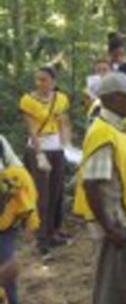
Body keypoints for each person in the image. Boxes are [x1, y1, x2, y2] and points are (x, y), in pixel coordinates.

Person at [72, 72, 126, 304]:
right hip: (114, 224)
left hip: (122, 220)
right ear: (111, 99)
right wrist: (109, 227)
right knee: (111, 289)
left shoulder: (118, 127)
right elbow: (92, 185)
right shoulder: (103, 132)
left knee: (121, 286)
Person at [18, 66, 72, 254]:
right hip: (38, 148)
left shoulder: (60, 99)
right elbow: (31, 129)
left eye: (44, 79)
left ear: (53, 81)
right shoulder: (28, 101)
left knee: (57, 191)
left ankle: (53, 231)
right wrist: (40, 154)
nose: (40, 83)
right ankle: (40, 237)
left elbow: (63, 123)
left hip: (56, 147)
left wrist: (66, 146)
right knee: (42, 194)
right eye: (38, 79)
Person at [0, 133, 39, 304]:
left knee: (9, 281)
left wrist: (29, 220)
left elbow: (22, 183)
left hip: (4, 225)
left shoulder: (1, 142)